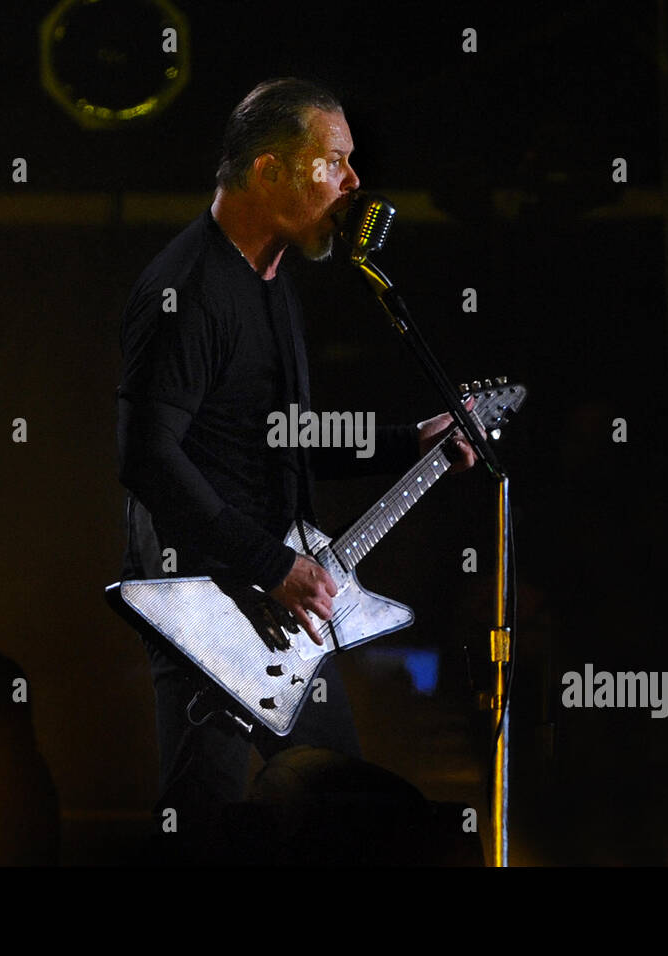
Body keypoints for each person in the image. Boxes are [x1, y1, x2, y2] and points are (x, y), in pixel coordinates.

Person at [116, 77, 476, 828]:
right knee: (202, 826)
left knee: (340, 811)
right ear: (268, 171)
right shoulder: (186, 291)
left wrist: (408, 442)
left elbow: (284, 438)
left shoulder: (273, 282)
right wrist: (273, 565)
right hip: (205, 611)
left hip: (276, 613)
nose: (352, 182)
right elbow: (148, 459)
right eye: (333, 161)